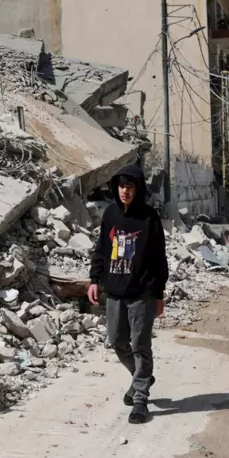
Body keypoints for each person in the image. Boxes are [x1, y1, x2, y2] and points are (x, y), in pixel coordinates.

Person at [88, 164, 169, 425]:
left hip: (142, 293)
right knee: (116, 341)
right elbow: (101, 249)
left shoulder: (149, 218)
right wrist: (94, 279)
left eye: (130, 187)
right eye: (122, 186)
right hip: (114, 292)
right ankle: (141, 376)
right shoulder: (111, 214)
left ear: (138, 189)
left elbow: (159, 259)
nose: (125, 191)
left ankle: (141, 399)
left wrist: (159, 295)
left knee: (141, 345)